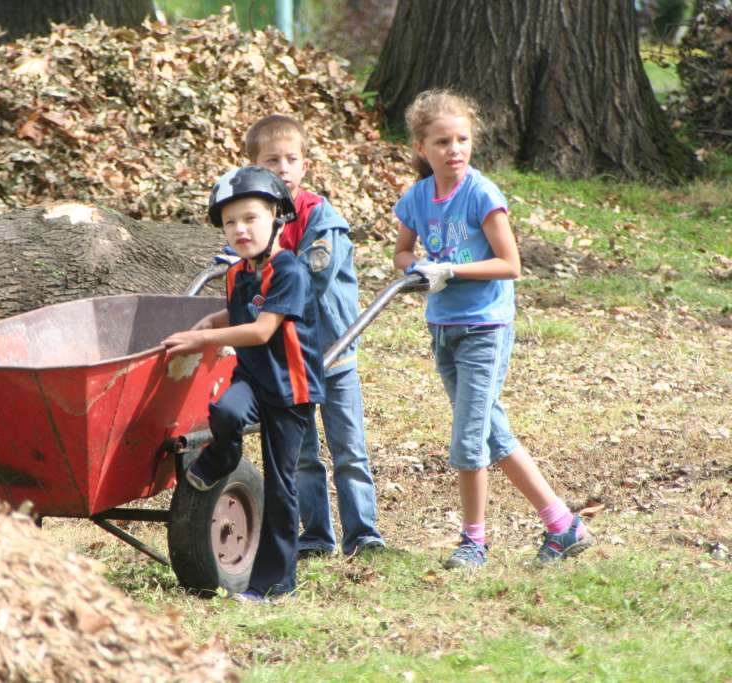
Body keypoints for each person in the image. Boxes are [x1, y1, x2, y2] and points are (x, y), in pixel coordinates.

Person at [392, 89, 593, 568]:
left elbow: (510, 264)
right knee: (492, 435)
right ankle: (563, 525)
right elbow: (401, 252)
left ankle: (473, 542)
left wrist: (451, 270)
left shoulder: (481, 194)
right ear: (421, 147)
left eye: (462, 139)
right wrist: (416, 268)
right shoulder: (417, 198)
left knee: (468, 440)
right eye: (442, 142)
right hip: (443, 329)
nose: (454, 150)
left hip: (485, 328)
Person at [162, 166, 325, 601]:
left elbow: (261, 330)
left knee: (280, 485)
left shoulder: (289, 270)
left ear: (277, 218)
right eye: (230, 222)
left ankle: (275, 583)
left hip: (290, 390)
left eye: (250, 218)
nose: (240, 229)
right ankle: (222, 458)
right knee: (225, 412)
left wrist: (203, 340)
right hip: (253, 378)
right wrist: (209, 322)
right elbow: (239, 312)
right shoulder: (237, 273)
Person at [245, 114, 385, 558]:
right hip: (290, 360)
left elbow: (314, 275)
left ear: (305, 165)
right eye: (272, 161)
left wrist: (267, 276)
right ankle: (316, 534)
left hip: (332, 349)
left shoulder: (322, 218)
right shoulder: (254, 221)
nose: (283, 168)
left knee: (349, 448)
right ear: (254, 168)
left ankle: (363, 533)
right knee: (303, 454)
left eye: (291, 159)